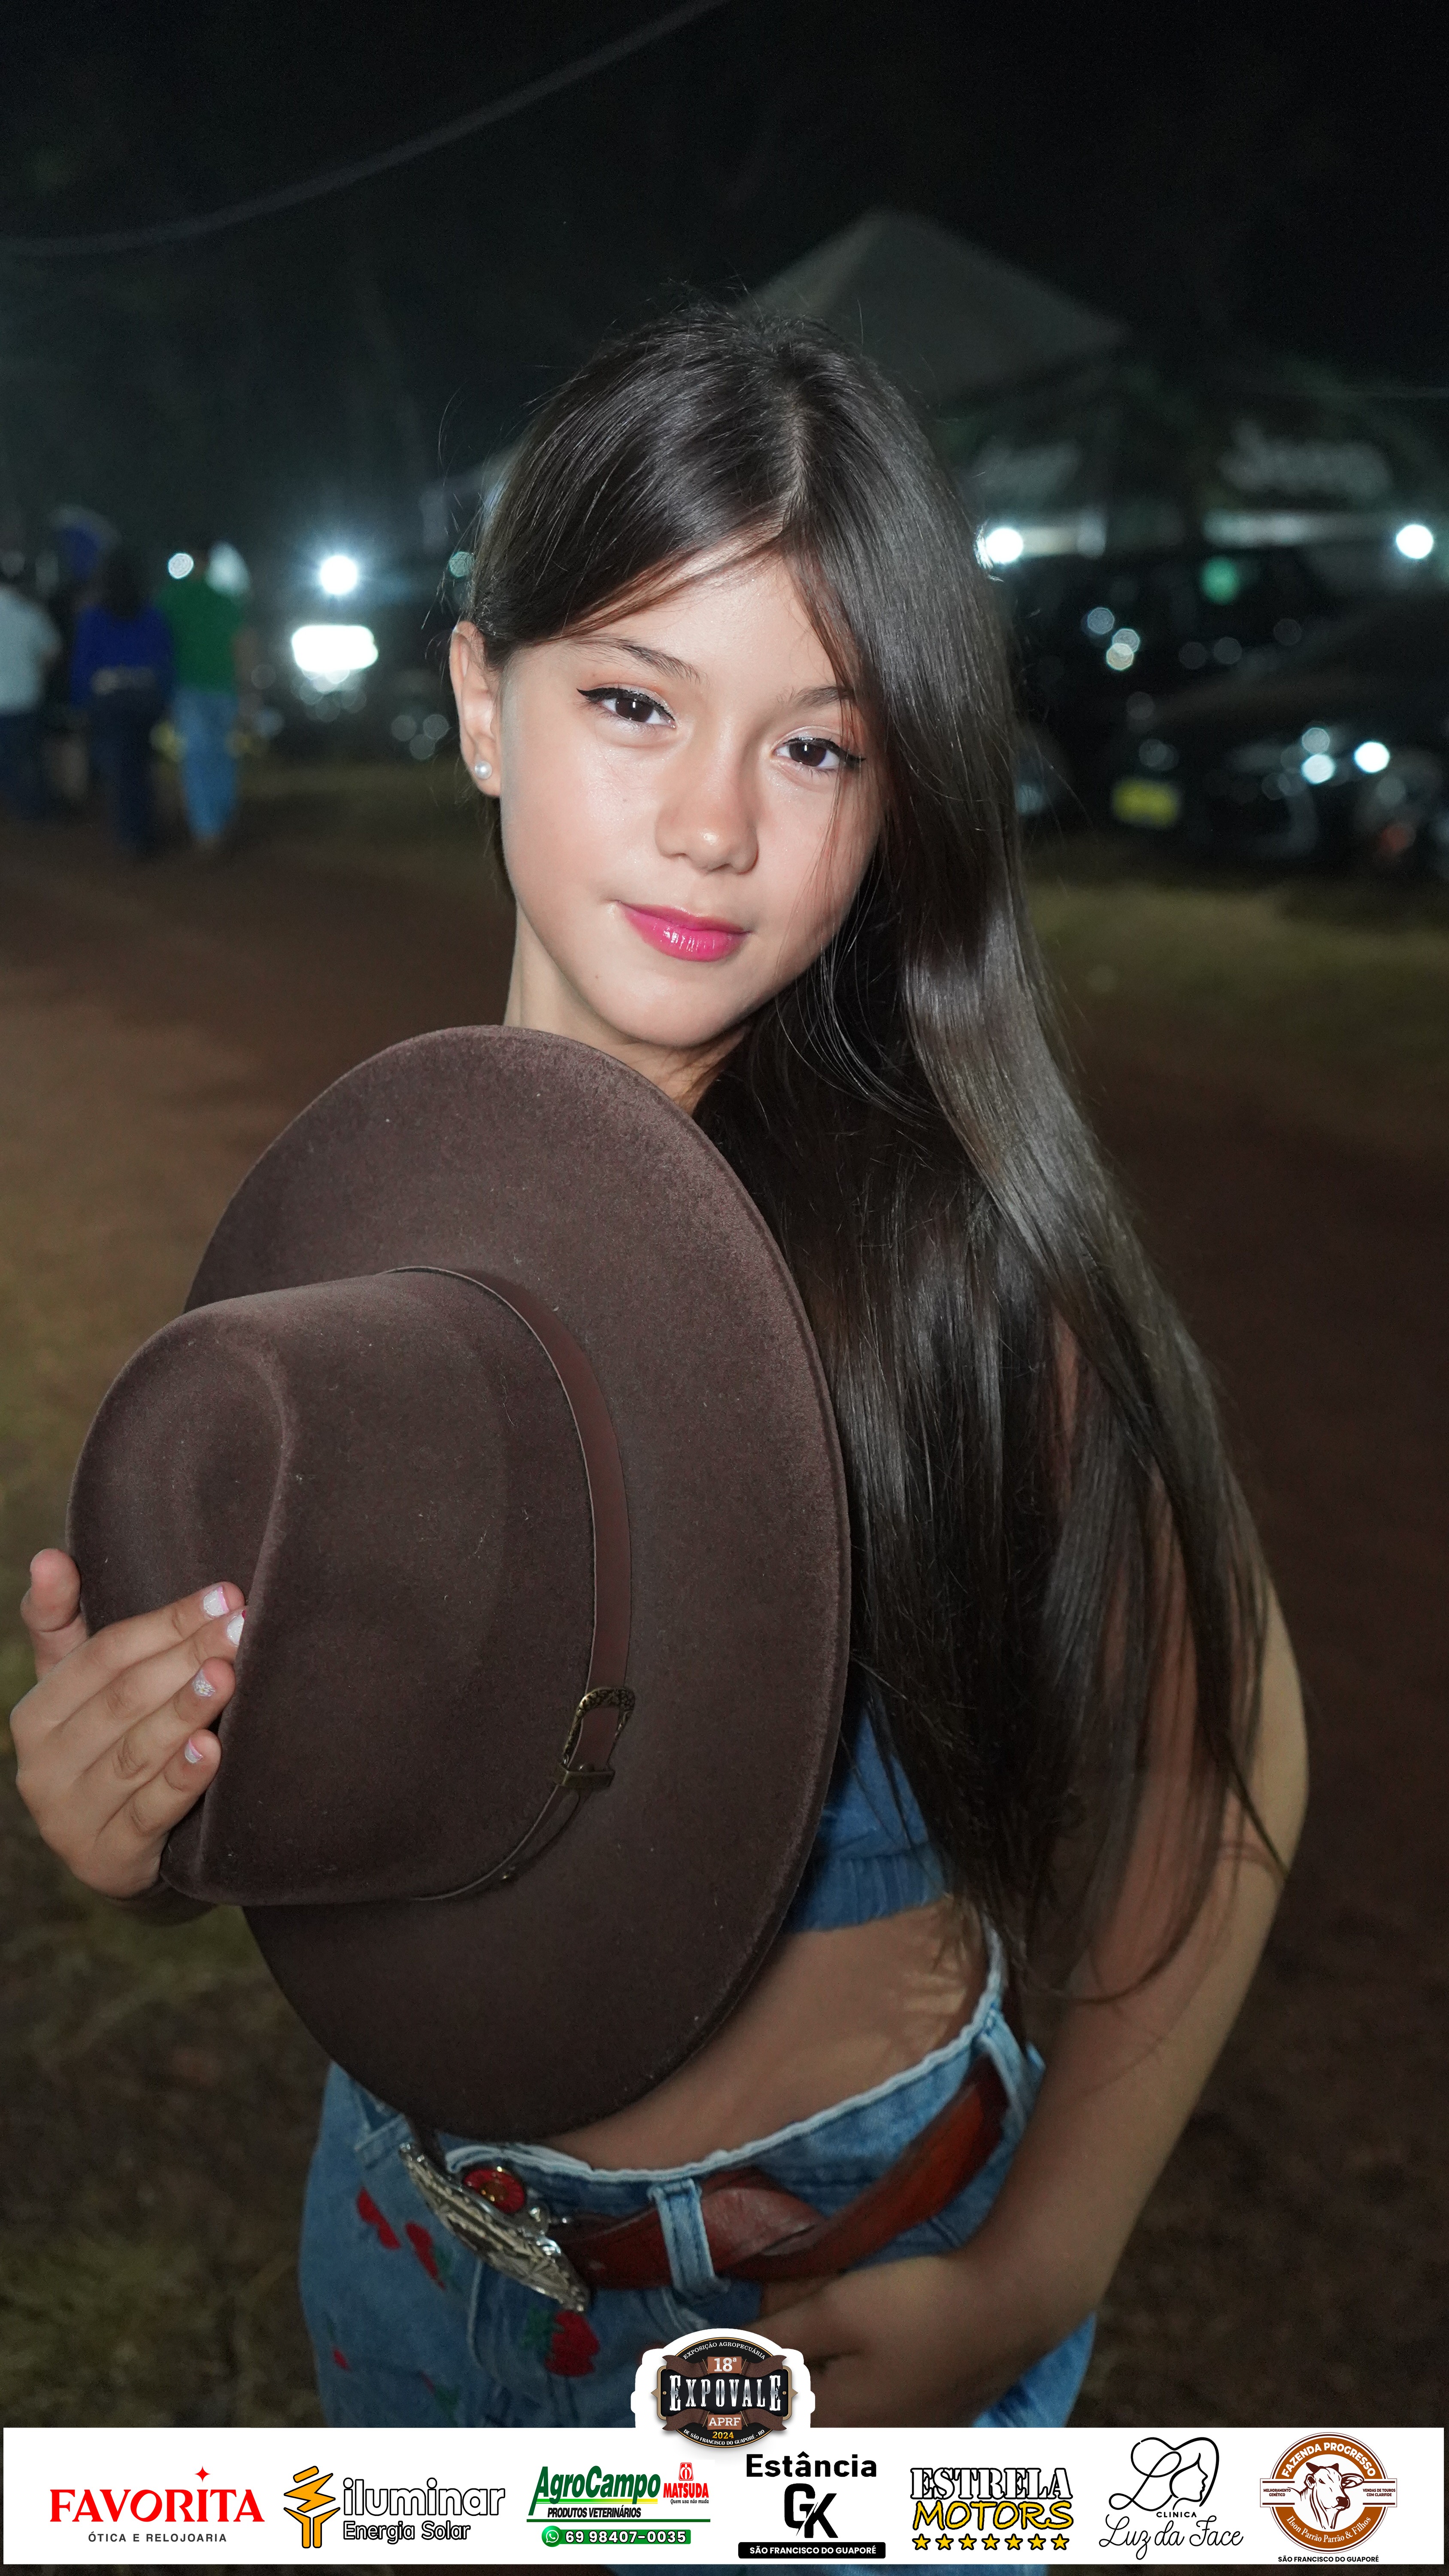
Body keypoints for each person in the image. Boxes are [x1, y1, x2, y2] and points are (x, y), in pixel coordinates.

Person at [13, 309, 1307, 2430]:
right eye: (634, 701)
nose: (714, 823)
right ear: (480, 702)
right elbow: (340, 1790)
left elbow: (1225, 1744)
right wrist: (148, 1824)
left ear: (893, 795)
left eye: (816, 747)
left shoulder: (955, 1282)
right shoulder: (359, 1259)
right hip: (410, 2260)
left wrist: (1032, 2272)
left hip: (833, 2298)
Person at [70, 551, 174, 857]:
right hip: (144, 697)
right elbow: (164, 660)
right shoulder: (152, 615)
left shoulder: (94, 617)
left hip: (110, 700)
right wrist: (165, 699)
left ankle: (131, 834)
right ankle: (144, 829)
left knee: (120, 768)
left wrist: (80, 702)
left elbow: (83, 664)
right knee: (141, 763)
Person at [159, 541, 247, 849]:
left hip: (188, 687)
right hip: (224, 687)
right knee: (222, 753)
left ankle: (207, 828)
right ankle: (222, 816)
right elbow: (243, 644)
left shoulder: (171, 599)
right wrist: (249, 688)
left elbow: (162, 646)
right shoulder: (227, 601)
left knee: (197, 756)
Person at [0, 558, 61, 820]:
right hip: (26, 697)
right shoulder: (31, 614)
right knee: (31, 759)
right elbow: (53, 651)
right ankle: (36, 810)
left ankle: (17, 807)